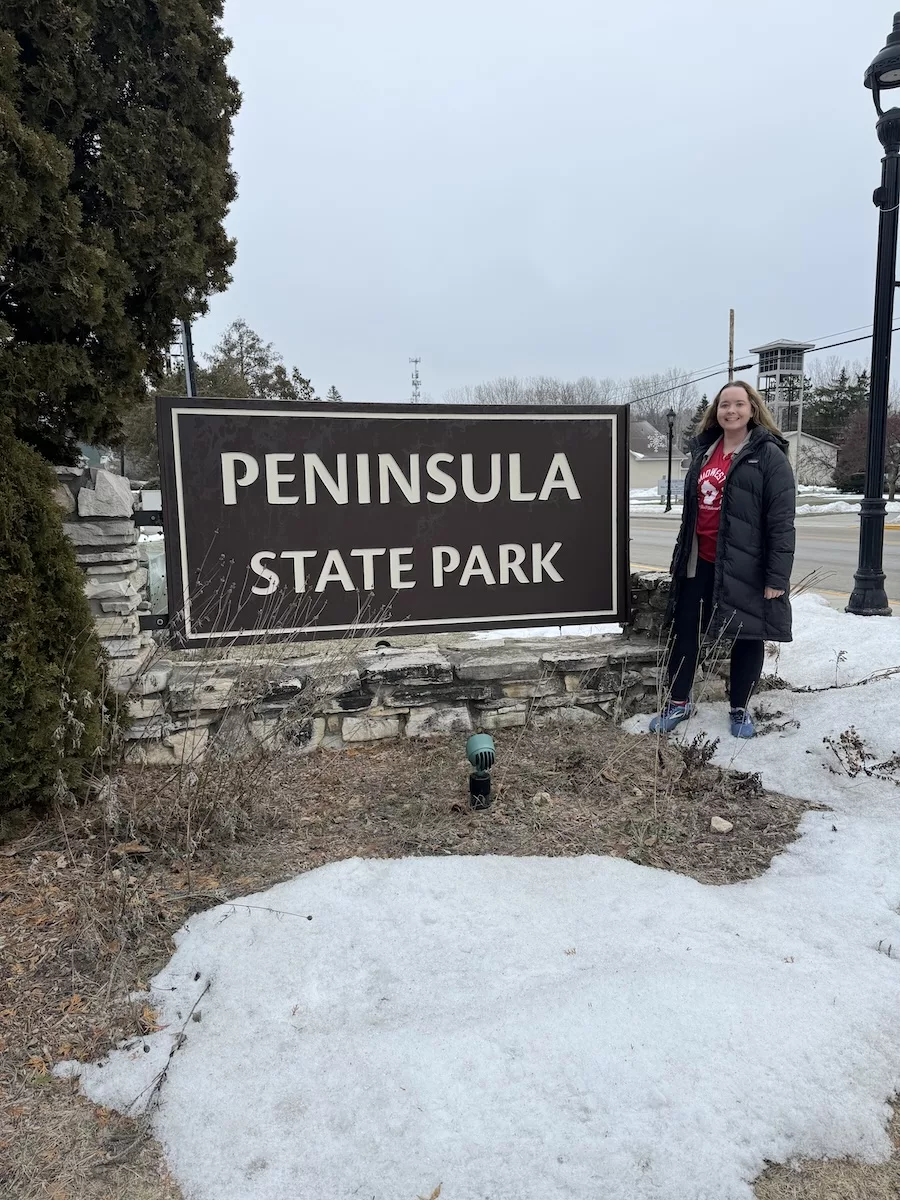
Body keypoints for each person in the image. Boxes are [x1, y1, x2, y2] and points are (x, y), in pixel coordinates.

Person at [649, 380, 795, 739]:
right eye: (724, 405)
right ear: (716, 411)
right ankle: (678, 701)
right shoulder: (704, 451)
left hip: (747, 563)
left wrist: (776, 577)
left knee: (748, 634)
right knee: (686, 629)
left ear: (752, 409)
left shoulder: (768, 454)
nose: (731, 411)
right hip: (702, 560)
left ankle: (740, 708)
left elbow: (781, 521)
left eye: (738, 404)